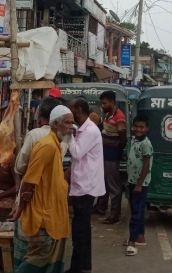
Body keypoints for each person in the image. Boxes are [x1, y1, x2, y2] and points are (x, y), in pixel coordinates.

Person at [9, 105, 73, 273]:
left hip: (51, 213)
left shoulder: (56, 144)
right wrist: (21, 207)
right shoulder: (47, 146)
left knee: (45, 259)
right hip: (43, 215)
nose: (70, 127)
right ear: (55, 124)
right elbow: (29, 180)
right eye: (67, 123)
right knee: (40, 258)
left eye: (72, 123)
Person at [66, 97, 105, 272]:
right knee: (83, 229)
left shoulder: (89, 130)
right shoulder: (83, 129)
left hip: (85, 187)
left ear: (78, 111)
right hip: (83, 185)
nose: (69, 113)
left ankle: (77, 268)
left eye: (70, 110)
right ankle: (84, 265)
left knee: (79, 230)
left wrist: (68, 134)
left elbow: (76, 152)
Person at [94, 90, 127, 224]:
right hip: (105, 154)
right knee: (105, 183)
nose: (102, 105)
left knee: (113, 186)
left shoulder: (119, 117)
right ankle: (101, 207)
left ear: (112, 102)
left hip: (112, 155)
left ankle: (114, 214)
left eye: (104, 103)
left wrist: (113, 146)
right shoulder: (108, 115)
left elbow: (122, 140)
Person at [125, 115, 153, 257]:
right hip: (132, 181)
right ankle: (140, 236)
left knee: (136, 213)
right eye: (136, 126)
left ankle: (131, 242)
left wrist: (139, 184)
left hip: (139, 184)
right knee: (137, 210)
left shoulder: (146, 144)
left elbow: (146, 165)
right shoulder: (134, 140)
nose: (138, 129)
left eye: (141, 127)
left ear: (147, 129)